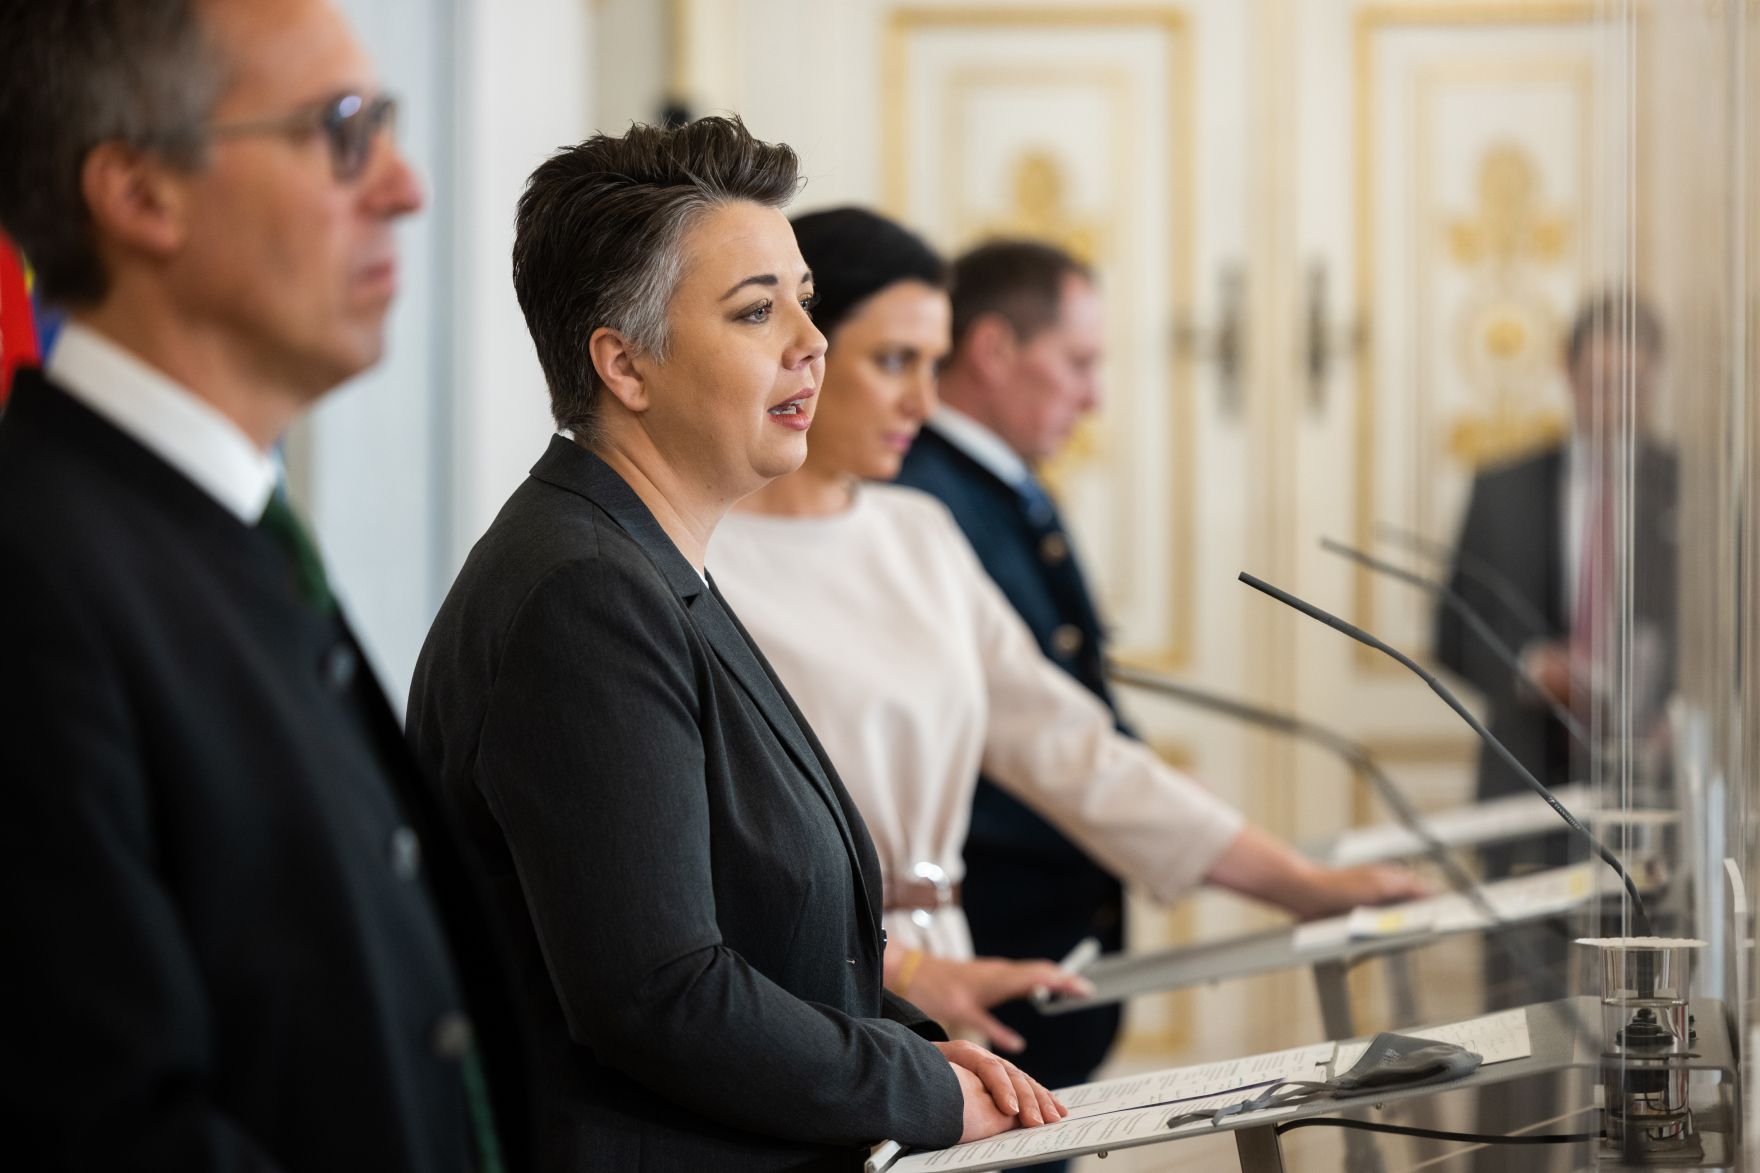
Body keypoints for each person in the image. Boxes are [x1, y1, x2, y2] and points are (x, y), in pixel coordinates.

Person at [406, 119, 1062, 1173]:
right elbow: (656, 993)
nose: (811, 342)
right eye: (757, 310)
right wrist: (916, 1085)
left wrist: (920, 1048)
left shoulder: (642, 560)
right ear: (624, 365)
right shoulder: (585, 593)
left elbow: (766, 946)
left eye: (803, 299)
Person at [711, 209, 1423, 1090]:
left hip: (953, 968)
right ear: (802, 353)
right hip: (806, 987)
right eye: (894, 361)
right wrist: (906, 973)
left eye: (934, 366)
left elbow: (1074, 752)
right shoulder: (703, 557)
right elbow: (719, 864)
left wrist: (1301, 884)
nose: (925, 402)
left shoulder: (918, 532)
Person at [0, 1, 528, 1168]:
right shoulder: (36, 571)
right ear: (143, 194)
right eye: (343, 130)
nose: (404, 187)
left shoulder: (231, 526)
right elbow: (108, 1121)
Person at [1437, 292, 1676, 1171]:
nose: (1615, 399)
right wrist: (1532, 666)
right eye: (1600, 379)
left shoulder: (1685, 489)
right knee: (1515, 1039)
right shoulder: (1500, 486)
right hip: (1526, 796)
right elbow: (1449, 631)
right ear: (1570, 375)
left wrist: (1667, 720)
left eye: (1633, 383)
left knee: (1648, 1043)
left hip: (1655, 812)